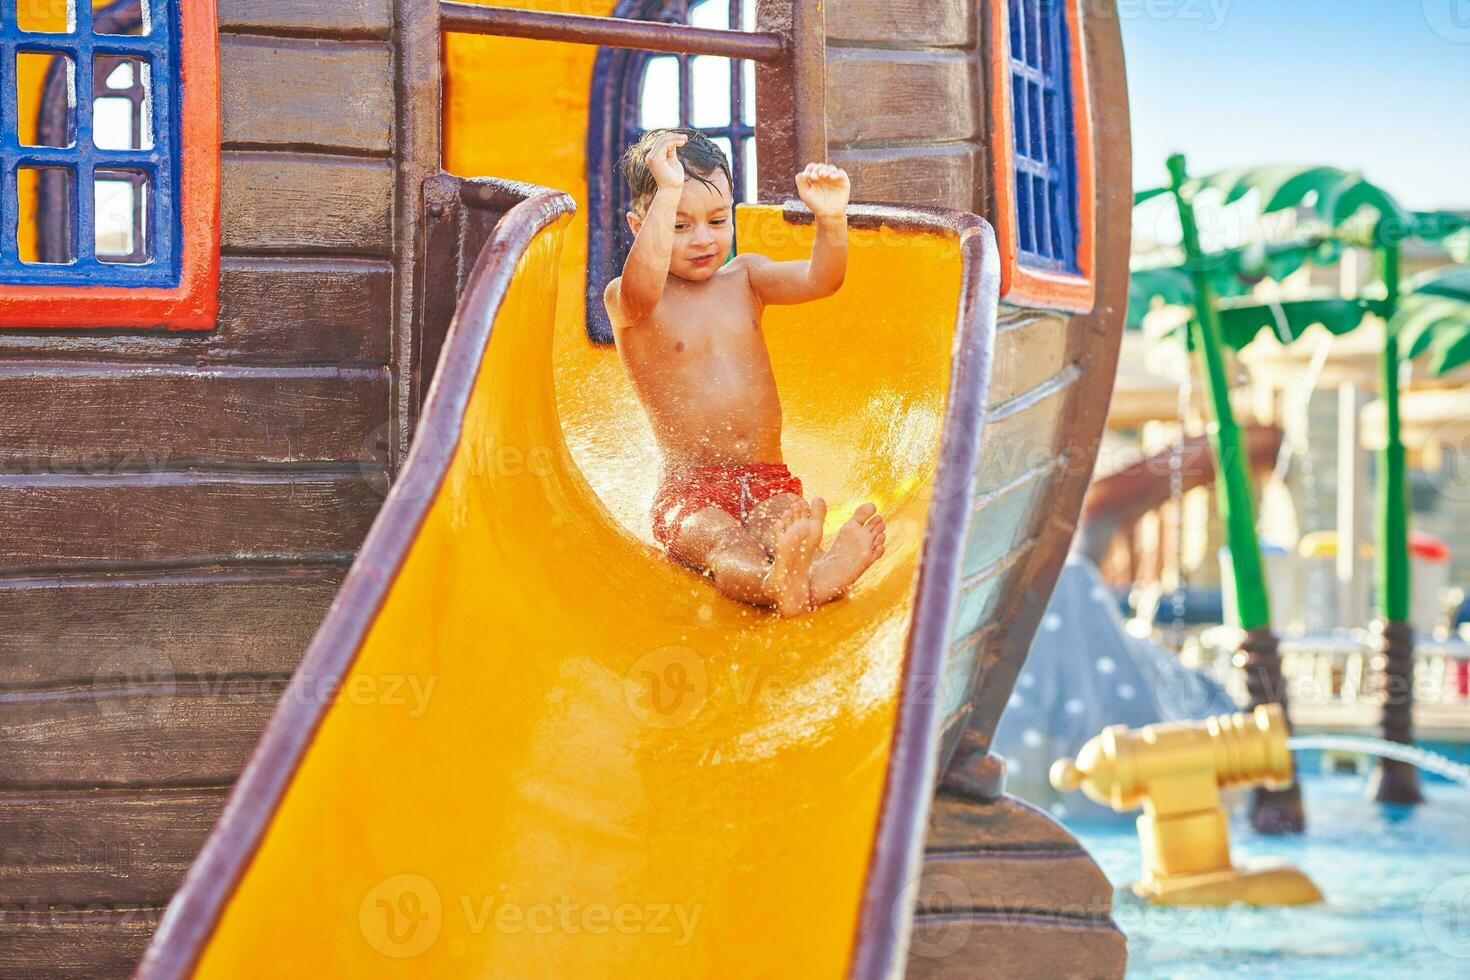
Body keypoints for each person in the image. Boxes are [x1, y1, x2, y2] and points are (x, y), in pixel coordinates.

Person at [604, 128, 885, 618]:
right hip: (690, 488)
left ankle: (816, 571)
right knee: (724, 546)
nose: (702, 239)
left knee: (785, 527)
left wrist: (831, 218)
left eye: (717, 220)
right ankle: (775, 582)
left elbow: (823, 280)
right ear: (639, 226)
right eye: (677, 224)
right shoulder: (631, 301)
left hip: (767, 476)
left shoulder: (747, 278)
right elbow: (641, 289)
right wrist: (667, 188)